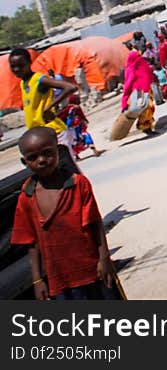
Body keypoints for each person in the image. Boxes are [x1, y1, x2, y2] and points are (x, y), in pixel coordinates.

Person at [12, 126, 120, 300]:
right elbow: (31, 242)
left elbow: (95, 223)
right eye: (33, 157)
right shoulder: (27, 196)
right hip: (60, 279)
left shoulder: (78, 184)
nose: (41, 160)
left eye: (47, 153)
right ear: (25, 162)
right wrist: (37, 280)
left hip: (93, 270)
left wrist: (104, 258)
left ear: (59, 151)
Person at [8, 49, 79, 160]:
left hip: (53, 132)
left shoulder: (39, 80)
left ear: (29, 63)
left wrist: (49, 107)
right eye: (13, 66)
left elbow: (70, 87)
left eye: (21, 65)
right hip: (40, 136)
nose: (17, 69)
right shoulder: (23, 82)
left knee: (66, 168)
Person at [121, 50, 158, 137]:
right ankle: (144, 127)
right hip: (139, 91)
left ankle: (148, 126)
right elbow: (128, 83)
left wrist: (154, 80)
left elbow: (149, 74)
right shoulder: (130, 69)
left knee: (150, 108)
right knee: (146, 108)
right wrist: (125, 98)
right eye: (137, 57)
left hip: (147, 90)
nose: (139, 58)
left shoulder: (143, 65)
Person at [57, 95, 104, 160]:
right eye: (78, 100)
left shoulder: (68, 108)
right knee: (85, 137)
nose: (80, 101)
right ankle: (94, 151)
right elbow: (81, 116)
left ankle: (78, 156)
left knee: (74, 141)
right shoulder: (75, 107)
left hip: (72, 128)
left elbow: (60, 117)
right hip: (75, 128)